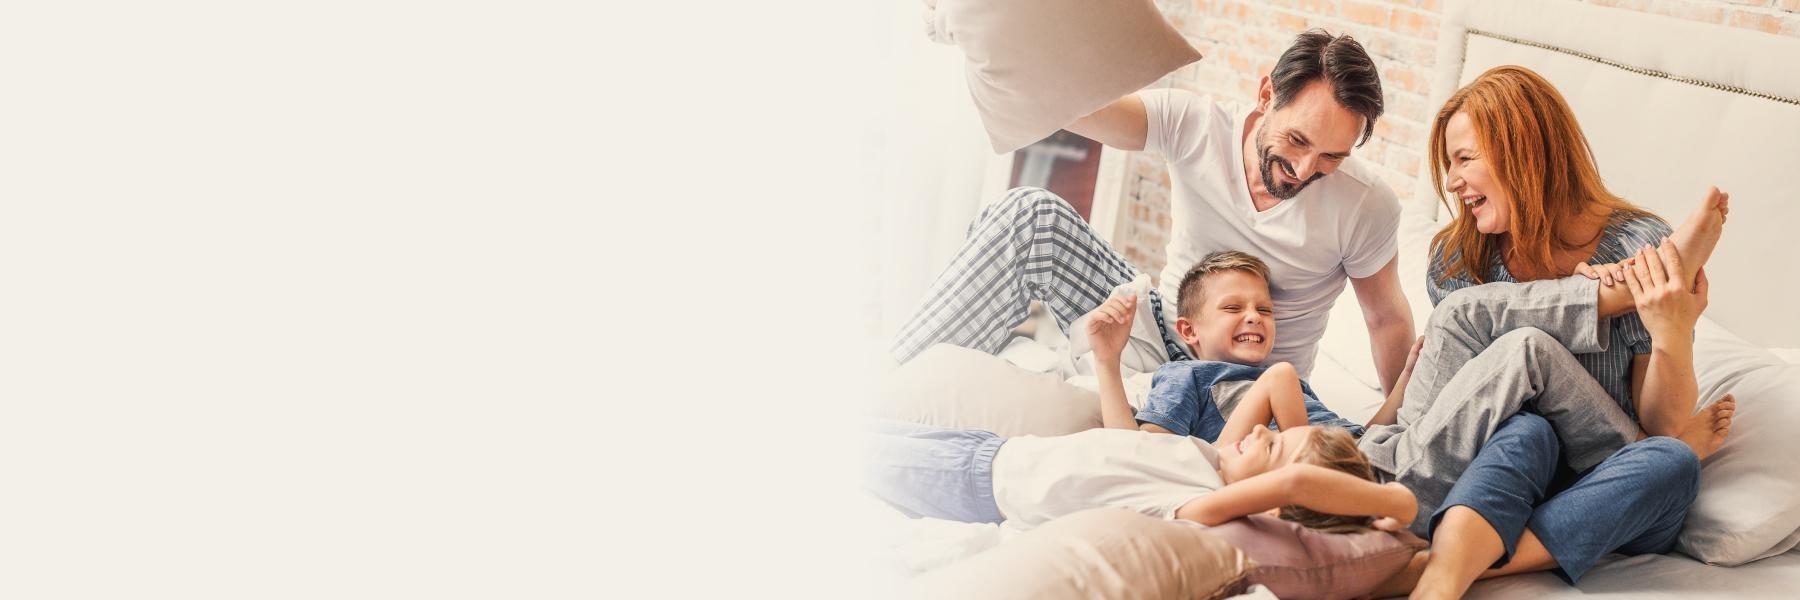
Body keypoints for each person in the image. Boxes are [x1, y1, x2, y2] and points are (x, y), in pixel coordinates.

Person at [890, 29, 1415, 395]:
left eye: (1331, 156)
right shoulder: (1196, 126)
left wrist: (1396, 426)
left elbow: (1387, 318)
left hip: (1248, 383)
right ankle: (900, 387)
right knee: (1031, 215)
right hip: (1160, 326)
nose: (1303, 168)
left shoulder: (1365, 206)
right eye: (1297, 140)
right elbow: (1080, 109)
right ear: (1265, 94)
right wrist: (990, 41)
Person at [1376, 65, 1733, 599]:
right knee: (1526, 430)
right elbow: (1456, 408)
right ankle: (1448, 569)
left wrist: (1672, 332)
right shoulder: (1458, 259)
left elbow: (1663, 424)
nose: (1450, 182)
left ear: (1525, 149)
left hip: (1604, 488)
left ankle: (1448, 564)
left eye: (1464, 159)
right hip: (1496, 473)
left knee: (1672, 460)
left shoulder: (1635, 244)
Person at [861, 404, 1416, 535]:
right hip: (994, 448)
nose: (1264, 429)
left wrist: (1396, 506)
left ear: (1268, 502)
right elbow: (1283, 378)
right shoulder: (1211, 456)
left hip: (978, 484)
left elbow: (1297, 483)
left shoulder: (1197, 504)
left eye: (1271, 448)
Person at [1082, 250, 1368, 442]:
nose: (1255, 317)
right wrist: (1107, 361)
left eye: (1265, 310)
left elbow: (1357, 434)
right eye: (1233, 307)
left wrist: (1403, 382)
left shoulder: (1295, 386)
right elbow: (1141, 448)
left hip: (1364, 449)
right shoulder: (1187, 376)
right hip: (1323, 463)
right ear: (1189, 330)